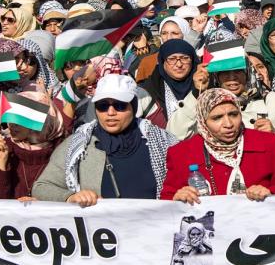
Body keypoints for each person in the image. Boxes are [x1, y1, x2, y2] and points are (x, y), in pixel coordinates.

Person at [34, 75, 177, 203]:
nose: (111, 112)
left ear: (133, 107)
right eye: (103, 106)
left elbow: (185, 181)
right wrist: (70, 197)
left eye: (120, 106)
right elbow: (42, 187)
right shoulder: (77, 144)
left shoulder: (162, 141)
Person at [161, 89, 275, 202]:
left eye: (233, 114)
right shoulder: (181, 154)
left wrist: (270, 193)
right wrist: (178, 198)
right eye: (217, 118)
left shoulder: (270, 143)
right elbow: (167, 199)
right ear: (203, 121)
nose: (228, 124)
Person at [0, 91, 68, 200]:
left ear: (43, 122)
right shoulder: (3, 148)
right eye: (11, 117)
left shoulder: (63, 149)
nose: (12, 124)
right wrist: (1, 162)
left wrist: (42, 202)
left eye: (21, 119)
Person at [139, 39, 197, 127]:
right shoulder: (149, 90)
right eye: (172, 59)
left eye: (185, 58)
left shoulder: (203, 84)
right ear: (162, 61)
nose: (179, 64)